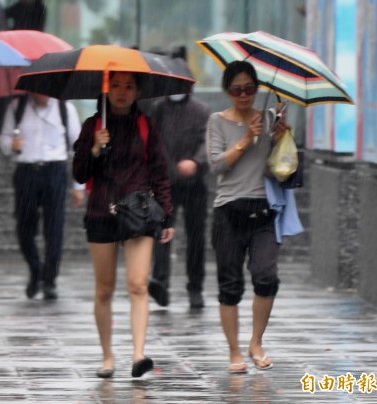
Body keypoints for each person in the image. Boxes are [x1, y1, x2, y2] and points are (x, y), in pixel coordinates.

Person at [72, 72, 175, 379]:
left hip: (138, 213)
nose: (121, 91)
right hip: (101, 212)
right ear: (106, 89)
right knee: (104, 289)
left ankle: (139, 354)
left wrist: (167, 215)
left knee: (138, 283)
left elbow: (159, 171)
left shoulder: (146, 125)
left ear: (137, 92)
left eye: (129, 86)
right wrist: (94, 149)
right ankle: (107, 356)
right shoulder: (93, 126)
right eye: (115, 85)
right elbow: (79, 173)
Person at [206, 60, 291, 374]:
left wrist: (282, 136)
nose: (244, 95)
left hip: (263, 211)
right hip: (229, 211)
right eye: (236, 89)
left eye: (249, 89)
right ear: (228, 91)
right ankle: (234, 352)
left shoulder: (270, 117)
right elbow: (216, 165)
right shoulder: (217, 121)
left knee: (266, 276)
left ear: (257, 89)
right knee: (229, 285)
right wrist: (245, 139)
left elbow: (282, 165)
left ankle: (256, 342)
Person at [0, 92, 84, 301]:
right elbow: (3, 138)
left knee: (54, 228)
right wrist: (11, 144)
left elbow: (78, 148)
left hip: (54, 171)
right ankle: (36, 268)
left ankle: (50, 280)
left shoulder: (65, 109)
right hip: (26, 171)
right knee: (24, 227)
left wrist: (78, 185)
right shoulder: (17, 107)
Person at [146, 60, 211, 309]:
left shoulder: (202, 110)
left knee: (196, 237)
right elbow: (152, 142)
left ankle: (195, 287)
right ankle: (160, 282)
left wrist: (195, 162)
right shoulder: (158, 109)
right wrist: (168, 168)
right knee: (162, 233)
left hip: (195, 185)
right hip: (166, 185)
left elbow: (207, 141)